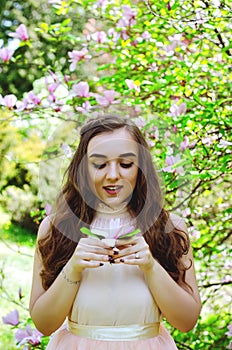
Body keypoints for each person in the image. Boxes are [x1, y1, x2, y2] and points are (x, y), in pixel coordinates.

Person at [29, 114, 201, 349]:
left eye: (126, 164)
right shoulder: (56, 228)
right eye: (99, 164)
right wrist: (73, 267)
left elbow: (187, 321)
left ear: (141, 167)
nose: (112, 175)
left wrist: (150, 266)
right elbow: (44, 324)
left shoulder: (170, 228)